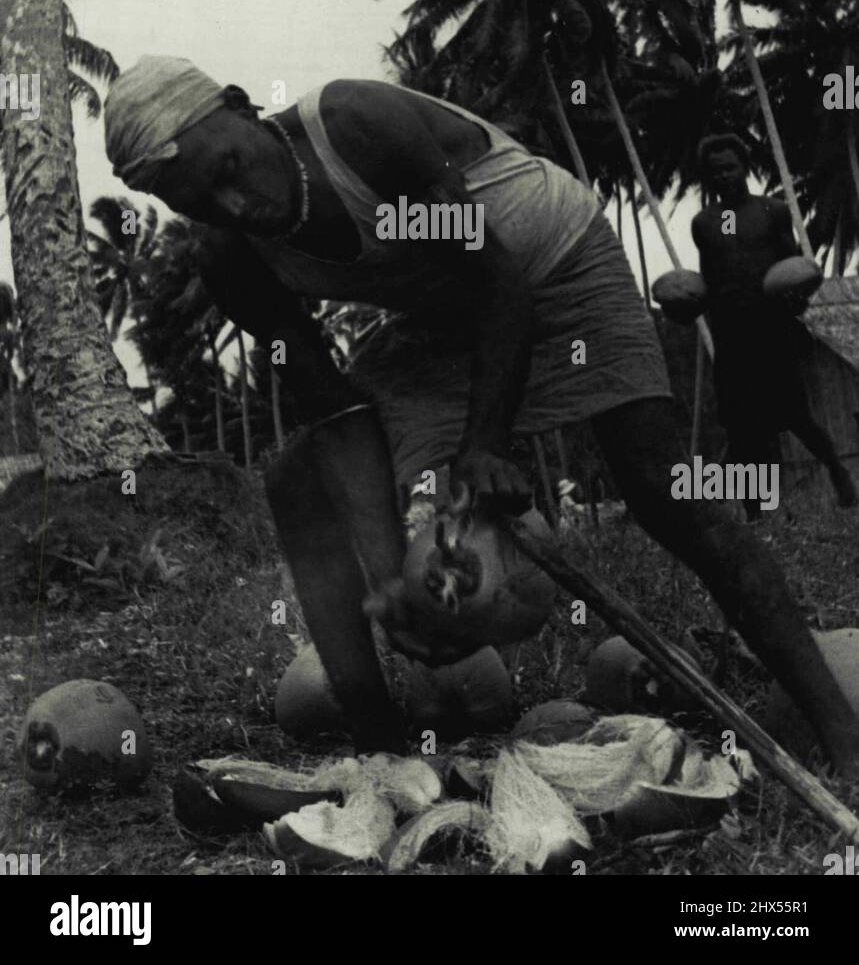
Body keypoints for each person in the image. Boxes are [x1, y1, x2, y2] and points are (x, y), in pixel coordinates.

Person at [103, 57, 859, 769]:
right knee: (297, 482)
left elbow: (497, 277)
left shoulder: (354, 127)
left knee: (665, 495)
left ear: (240, 107)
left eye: (229, 170)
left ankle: (835, 725)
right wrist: (389, 582)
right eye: (200, 203)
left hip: (556, 266)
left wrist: (483, 445)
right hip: (444, 320)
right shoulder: (230, 255)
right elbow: (334, 417)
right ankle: (378, 751)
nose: (238, 205)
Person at [692, 134, 858, 516]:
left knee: (796, 415)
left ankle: (837, 472)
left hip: (772, 328)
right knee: (741, 428)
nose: (724, 176)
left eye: (730, 167)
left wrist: (797, 299)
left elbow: (795, 264)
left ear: (745, 168)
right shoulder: (703, 223)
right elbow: (709, 278)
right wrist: (689, 305)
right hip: (731, 335)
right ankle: (755, 515)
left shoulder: (772, 211)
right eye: (715, 171)